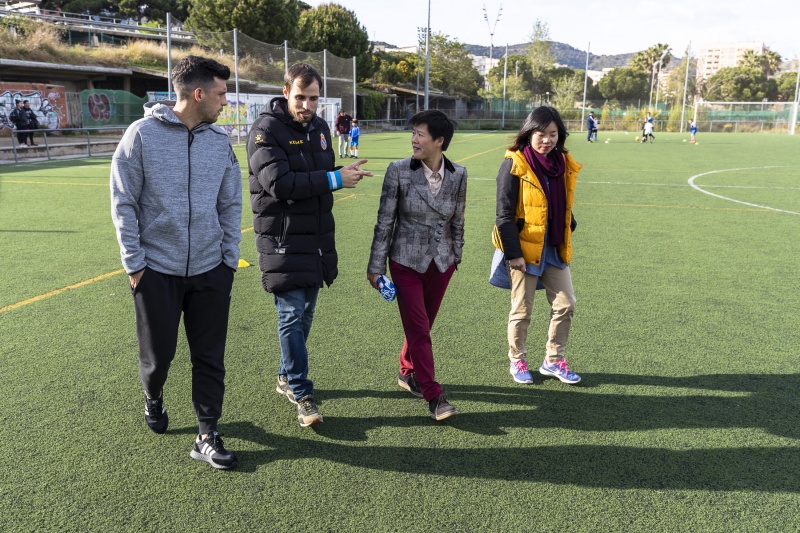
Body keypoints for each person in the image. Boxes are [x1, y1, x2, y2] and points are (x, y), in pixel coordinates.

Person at [110, 55, 242, 470]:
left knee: (209, 355)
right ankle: (153, 395)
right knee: (159, 355)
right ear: (199, 93)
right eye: (221, 94)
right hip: (157, 272)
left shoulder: (220, 142)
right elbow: (123, 201)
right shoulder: (141, 135)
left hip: (210, 270)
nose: (226, 102)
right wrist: (135, 264)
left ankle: (207, 433)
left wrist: (227, 259)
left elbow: (230, 203)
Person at [247, 63, 372, 428]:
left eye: (313, 98)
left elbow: (318, 181)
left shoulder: (319, 128)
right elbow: (280, 185)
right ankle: (302, 393)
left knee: (305, 315)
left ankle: (286, 376)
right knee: (290, 314)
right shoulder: (265, 130)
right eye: (299, 97)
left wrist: (335, 179)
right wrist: (335, 178)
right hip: (281, 239)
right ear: (285, 92)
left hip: (316, 236)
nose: (306, 105)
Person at [367, 109, 468, 421]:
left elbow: (459, 220)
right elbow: (385, 222)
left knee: (422, 325)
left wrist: (456, 256)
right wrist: (376, 266)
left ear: (439, 141)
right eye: (413, 133)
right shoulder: (398, 171)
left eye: (420, 134)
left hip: (442, 263)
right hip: (405, 262)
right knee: (420, 329)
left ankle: (406, 370)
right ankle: (434, 396)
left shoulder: (459, 174)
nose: (413, 139)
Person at [492, 106, 582, 386]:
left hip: (554, 246)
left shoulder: (563, 163)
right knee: (522, 310)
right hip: (525, 248)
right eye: (541, 134)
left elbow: (563, 200)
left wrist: (568, 223)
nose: (547, 140)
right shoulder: (514, 163)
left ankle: (553, 361)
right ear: (529, 134)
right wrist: (513, 253)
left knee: (566, 304)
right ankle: (517, 359)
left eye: (553, 134)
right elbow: (504, 214)